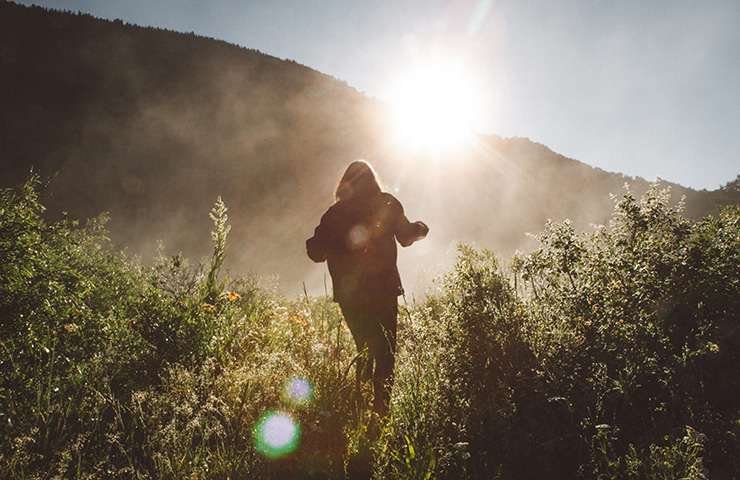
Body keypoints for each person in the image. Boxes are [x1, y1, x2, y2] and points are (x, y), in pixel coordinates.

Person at [306, 160, 428, 414]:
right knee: (386, 351)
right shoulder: (387, 203)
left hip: (350, 294)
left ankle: (359, 409)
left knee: (363, 347)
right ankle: (381, 411)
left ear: (345, 183)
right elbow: (406, 237)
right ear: (373, 180)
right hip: (384, 289)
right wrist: (421, 229)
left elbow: (315, 252)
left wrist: (329, 242)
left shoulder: (335, 213)